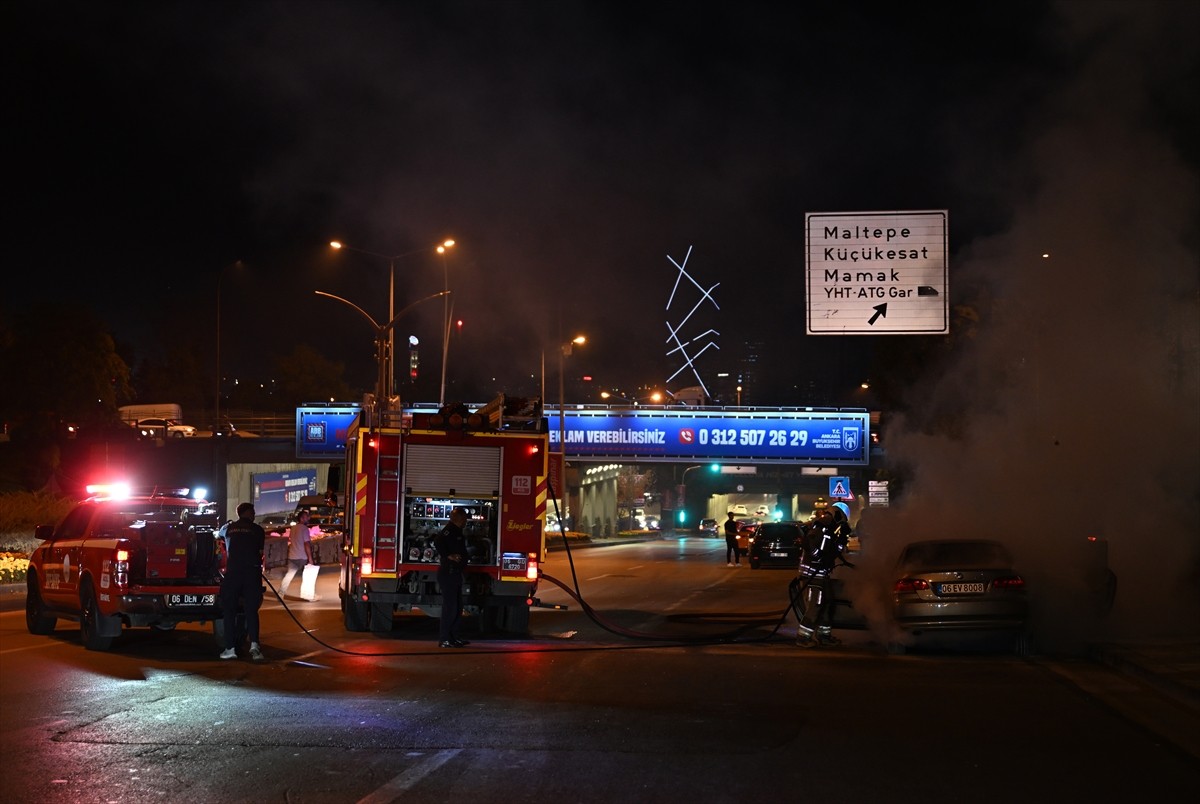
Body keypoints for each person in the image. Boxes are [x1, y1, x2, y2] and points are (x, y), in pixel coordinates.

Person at [793, 497, 852, 648]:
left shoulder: (831, 532)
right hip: (813, 575)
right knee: (815, 605)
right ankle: (803, 637)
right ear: (837, 516)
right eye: (842, 521)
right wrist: (822, 558)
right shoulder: (820, 529)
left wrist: (842, 540)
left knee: (826, 603)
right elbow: (814, 551)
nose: (841, 525)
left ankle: (824, 636)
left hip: (821, 575)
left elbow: (832, 552)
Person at [219, 502, 267, 661]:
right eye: (252, 511)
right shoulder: (258, 530)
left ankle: (230, 648)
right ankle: (254, 646)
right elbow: (260, 551)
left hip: (233, 574)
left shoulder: (229, 528)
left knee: (229, 611)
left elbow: (219, 536)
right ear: (248, 513)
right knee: (251, 610)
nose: (254, 514)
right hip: (251, 573)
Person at [434, 506, 471, 648]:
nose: (466, 521)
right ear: (459, 519)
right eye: (465, 519)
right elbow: (437, 542)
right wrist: (448, 555)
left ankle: (454, 637)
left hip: (455, 573)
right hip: (448, 573)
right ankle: (444, 639)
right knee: (450, 608)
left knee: (458, 606)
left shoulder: (457, 531)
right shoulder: (449, 530)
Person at [278, 508, 314, 598]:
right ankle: (307, 595)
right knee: (307, 577)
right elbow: (306, 544)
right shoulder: (305, 529)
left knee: (289, 575)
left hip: (292, 555)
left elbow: (291, 540)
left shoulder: (293, 528)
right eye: (306, 517)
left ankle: (281, 593)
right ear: (301, 519)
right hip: (302, 556)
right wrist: (310, 558)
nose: (308, 519)